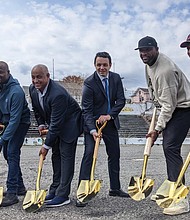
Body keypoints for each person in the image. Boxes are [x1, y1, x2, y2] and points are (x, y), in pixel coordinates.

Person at [135, 36, 190, 215]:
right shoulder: (149, 65)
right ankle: (171, 186)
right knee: (169, 148)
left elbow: (169, 104)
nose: (144, 54)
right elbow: (156, 93)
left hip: (183, 108)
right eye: (141, 51)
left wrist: (157, 129)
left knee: (171, 147)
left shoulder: (164, 70)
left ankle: (181, 199)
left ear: (156, 49)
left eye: (147, 50)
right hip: (171, 108)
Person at [76, 52, 129, 207]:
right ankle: (82, 192)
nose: (102, 68)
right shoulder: (89, 83)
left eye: (105, 65)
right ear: (95, 65)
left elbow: (121, 100)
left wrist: (109, 116)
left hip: (110, 123)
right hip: (92, 125)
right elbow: (86, 110)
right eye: (99, 65)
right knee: (89, 154)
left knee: (114, 154)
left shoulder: (116, 78)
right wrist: (92, 130)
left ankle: (115, 188)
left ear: (110, 65)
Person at [29, 64, 83, 208]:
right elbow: (36, 109)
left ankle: (63, 195)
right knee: (56, 156)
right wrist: (41, 124)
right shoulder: (33, 89)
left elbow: (56, 124)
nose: (36, 81)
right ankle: (54, 190)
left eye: (39, 77)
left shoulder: (57, 94)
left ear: (48, 76)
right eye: (33, 77)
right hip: (56, 123)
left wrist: (46, 146)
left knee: (66, 158)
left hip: (70, 125)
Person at [0, 61, 30, 207]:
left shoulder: (16, 91)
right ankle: (20, 187)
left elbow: (15, 120)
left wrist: (2, 139)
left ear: (8, 72)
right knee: (7, 153)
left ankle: (12, 193)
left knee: (12, 152)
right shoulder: (1, 89)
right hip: (7, 122)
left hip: (20, 123)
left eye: (1, 72)